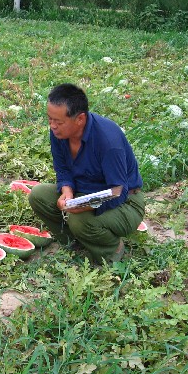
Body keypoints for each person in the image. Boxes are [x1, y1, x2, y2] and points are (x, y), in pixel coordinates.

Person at [28, 83, 145, 263]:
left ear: (80, 119)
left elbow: (118, 192)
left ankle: (111, 251)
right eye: (49, 119)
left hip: (125, 203)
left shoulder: (108, 141)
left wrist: (86, 206)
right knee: (38, 195)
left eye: (58, 122)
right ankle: (76, 243)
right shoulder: (59, 133)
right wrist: (67, 191)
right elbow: (63, 169)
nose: (52, 126)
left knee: (79, 220)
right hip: (83, 193)